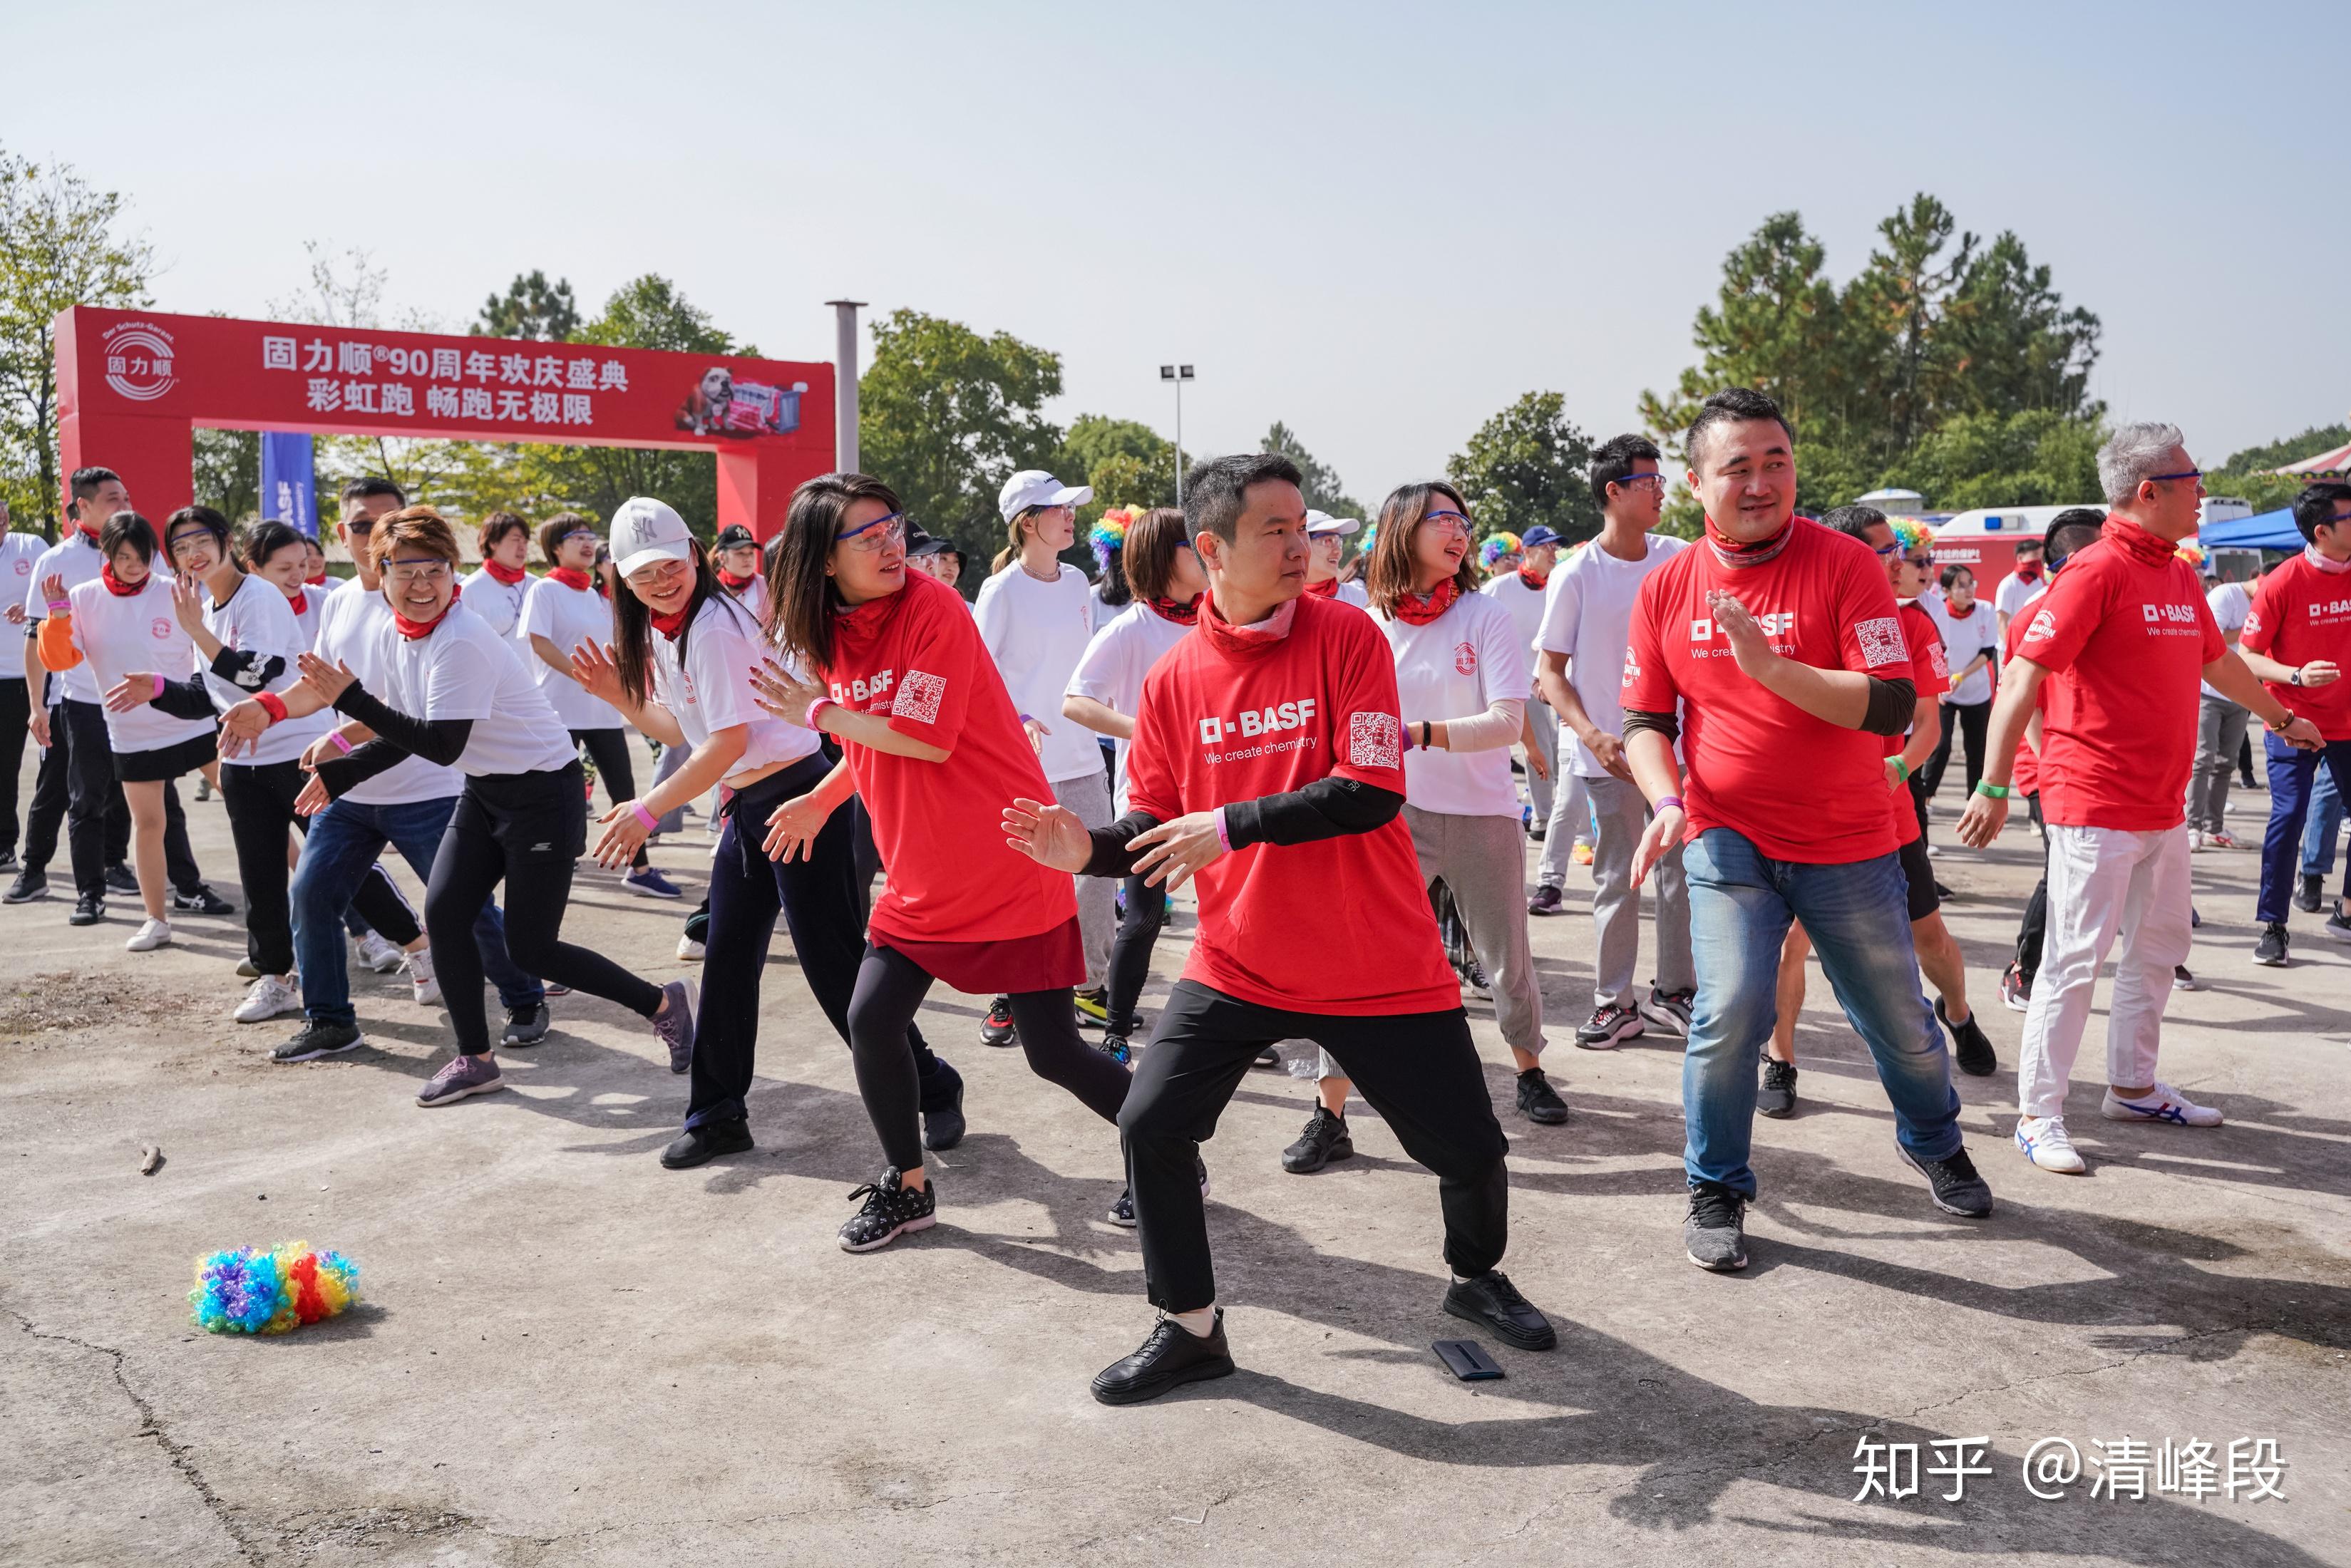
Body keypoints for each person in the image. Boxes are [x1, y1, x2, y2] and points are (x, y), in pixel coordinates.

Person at [1004, 452, 1557, 1404]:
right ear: (1209, 549)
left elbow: (1369, 790)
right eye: (1276, 530)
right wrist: (1082, 851)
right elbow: (1152, 825)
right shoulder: (1175, 681)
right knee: (1150, 1123)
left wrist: (1229, 825)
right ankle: (1189, 1328)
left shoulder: (1348, 639)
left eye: (1303, 526)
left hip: (1375, 958)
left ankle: (1474, 1278)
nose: (1301, 545)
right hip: (1239, 960)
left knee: (1469, 1151)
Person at [1620, 388, 1990, 1272]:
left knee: (1897, 1019)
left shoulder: (1844, 565)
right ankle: (1715, 1182)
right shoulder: (1667, 586)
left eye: (1775, 462)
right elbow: (1644, 721)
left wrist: (1771, 668)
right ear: (1695, 484)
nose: (1760, 483)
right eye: (1737, 468)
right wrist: (1666, 801)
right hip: (1723, 834)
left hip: (1848, 838)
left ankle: (1932, 1138)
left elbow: (1894, 706)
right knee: (1730, 1008)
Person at [747, 473, 1136, 1253]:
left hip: (1004, 856)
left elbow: (921, 735)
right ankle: (908, 1185)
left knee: (1051, 1051)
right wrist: (825, 798)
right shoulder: (830, 627)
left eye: (894, 526)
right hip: (920, 873)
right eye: (869, 536)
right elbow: (873, 733)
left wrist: (816, 712)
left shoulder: (933, 608)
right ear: (825, 559)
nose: (893, 545)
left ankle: (1165, 1144)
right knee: (871, 1019)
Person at [1958, 424, 2321, 1175]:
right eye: (2192, 481)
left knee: (2158, 951)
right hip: (2091, 803)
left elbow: (2217, 663)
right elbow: (2023, 676)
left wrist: (2283, 717)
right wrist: (1994, 782)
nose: (2201, 493)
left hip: (2162, 806)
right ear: (2149, 491)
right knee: (2072, 960)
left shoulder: (2179, 573)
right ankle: (2038, 1113)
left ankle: (2132, 1084)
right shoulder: (2093, 572)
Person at [564, 497, 960, 1167]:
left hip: (798, 795)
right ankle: (717, 1112)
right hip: (750, 808)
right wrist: (615, 695)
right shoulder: (666, 626)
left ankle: (933, 1085)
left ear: (695, 554)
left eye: (669, 564)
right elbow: (684, 733)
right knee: (727, 960)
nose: (659, 580)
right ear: (622, 580)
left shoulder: (713, 626)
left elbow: (726, 744)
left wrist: (646, 810)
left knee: (835, 971)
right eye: (641, 574)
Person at [281, 505, 694, 1105]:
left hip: (541, 796)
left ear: (455, 572)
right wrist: (341, 773)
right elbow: (407, 730)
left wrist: (352, 700)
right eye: (405, 571)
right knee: (445, 915)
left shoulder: (461, 639)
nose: (421, 585)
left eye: (436, 570)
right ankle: (474, 1059)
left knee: (533, 948)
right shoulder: (398, 634)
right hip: (485, 791)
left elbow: (439, 746)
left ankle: (664, 1003)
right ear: (381, 573)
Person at [1282, 480, 1563, 1172]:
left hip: (1483, 812)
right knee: (1354, 960)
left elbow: (1504, 720)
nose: (1458, 529)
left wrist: (1418, 733)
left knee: (1506, 961)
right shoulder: (1366, 621)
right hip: (1389, 814)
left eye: (1463, 519)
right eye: (1441, 518)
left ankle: (1528, 1071)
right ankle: (1330, 1114)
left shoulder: (1485, 615)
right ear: (1402, 529)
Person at [223, 478, 548, 1062]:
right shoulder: (343, 600)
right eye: (360, 525)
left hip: (428, 787)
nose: (377, 534)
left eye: (389, 521)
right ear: (349, 539)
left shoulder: (443, 606)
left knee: (463, 910)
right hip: (351, 793)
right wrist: (268, 709)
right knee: (312, 895)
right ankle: (330, 1021)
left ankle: (523, 995)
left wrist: (348, 742)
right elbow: (326, 687)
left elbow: (426, 724)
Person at [103, 506, 421, 1017]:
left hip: (297, 753)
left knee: (343, 862)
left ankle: (418, 948)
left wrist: (195, 631)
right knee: (261, 875)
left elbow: (257, 674)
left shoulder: (259, 596)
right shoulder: (205, 610)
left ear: (227, 541)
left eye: (200, 541)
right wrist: (157, 689)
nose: (192, 554)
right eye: (180, 548)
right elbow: (213, 697)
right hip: (241, 765)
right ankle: (275, 976)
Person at [1758, 507, 1997, 1116]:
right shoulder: (1803, 612)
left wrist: (1896, 768)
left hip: (1886, 804)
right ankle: (1780, 1059)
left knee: (1929, 939)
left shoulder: (1913, 626)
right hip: (1804, 813)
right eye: (1885, 550)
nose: (1901, 562)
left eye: (1902, 551)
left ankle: (1960, 1014)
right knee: (1791, 946)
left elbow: (1927, 725)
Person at [1533, 435, 1692, 1038]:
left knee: (1680, 878)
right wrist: (1593, 736)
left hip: (1678, 754)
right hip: (1613, 758)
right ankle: (1615, 1002)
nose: (1660, 491)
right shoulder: (1576, 576)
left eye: (1660, 481)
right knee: (1618, 880)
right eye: (1648, 482)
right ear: (1614, 492)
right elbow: (1550, 672)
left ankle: (1676, 992)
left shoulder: (1678, 557)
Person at [20, 468, 220, 924]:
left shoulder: (160, 575)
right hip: (90, 706)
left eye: (127, 496)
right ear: (83, 506)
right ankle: (89, 893)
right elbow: (50, 650)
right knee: (85, 801)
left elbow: (186, 636)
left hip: (164, 706)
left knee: (168, 806)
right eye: (113, 498)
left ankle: (187, 887)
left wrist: (186, 690)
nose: (124, 503)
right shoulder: (58, 565)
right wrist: (38, 702)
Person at [973, 470, 1114, 1038]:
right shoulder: (1000, 590)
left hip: (1083, 758)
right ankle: (1009, 992)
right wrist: (1021, 718)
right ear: (1028, 523)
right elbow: (976, 674)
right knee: (1018, 881)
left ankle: (1091, 986)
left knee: (1097, 872)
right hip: (1019, 765)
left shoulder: (1079, 581)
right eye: (1059, 509)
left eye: (1071, 508)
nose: (1071, 516)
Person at [1061, 507, 1203, 1063]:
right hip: (1151, 799)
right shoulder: (1130, 628)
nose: (1206, 553)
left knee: (1230, 920)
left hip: (1218, 797)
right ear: (1162, 557)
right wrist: (1145, 731)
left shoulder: (1219, 619)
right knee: (1142, 919)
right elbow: (1076, 701)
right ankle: (1117, 1034)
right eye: (1191, 545)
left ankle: (1234, 1033)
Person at [520, 512, 675, 898]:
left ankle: (639, 869)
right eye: (577, 537)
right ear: (555, 548)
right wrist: (583, 676)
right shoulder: (544, 591)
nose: (588, 543)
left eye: (591, 536)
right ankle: (552, 863)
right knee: (558, 793)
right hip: (559, 709)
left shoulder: (595, 595)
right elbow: (539, 643)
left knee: (623, 788)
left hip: (603, 709)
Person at [1992, 512, 2107, 1014]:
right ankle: (2024, 969)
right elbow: (2025, 704)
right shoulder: (2031, 618)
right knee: (2057, 867)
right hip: (2046, 765)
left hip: (2097, 767)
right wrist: (2051, 763)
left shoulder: (2109, 604)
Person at [2238, 482, 2351, 960]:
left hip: (2347, 723)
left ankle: (2345, 910)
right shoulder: (2282, 582)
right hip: (2291, 721)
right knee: (2288, 819)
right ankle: (2273, 925)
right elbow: (2245, 656)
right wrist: (2296, 676)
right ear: (2322, 531)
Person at [1483, 524, 1573, 855]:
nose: (1553, 553)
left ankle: (1556, 816)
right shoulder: (1500, 587)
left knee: (1561, 752)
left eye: (1556, 547)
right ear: (1528, 553)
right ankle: (1544, 819)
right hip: (1517, 685)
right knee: (1541, 751)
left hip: (1555, 683)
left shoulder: (1561, 585)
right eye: (1546, 547)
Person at [1917, 560, 1999, 837]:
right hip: (1943, 691)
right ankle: (1925, 799)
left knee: (1977, 751)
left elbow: (1988, 652)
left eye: (1970, 583)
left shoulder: (1985, 610)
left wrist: (1961, 676)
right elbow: (1935, 649)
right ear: (1948, 590)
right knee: (1938, 747)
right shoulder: (1937, 609)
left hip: (1975, 691)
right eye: (1960, 585)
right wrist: (1939, 682)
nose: (1968, 590)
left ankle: (1975, 807)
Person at [2187, 557, 2256, 850]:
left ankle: (2214, 827)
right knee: (2202, 760)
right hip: (2209, 693)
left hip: (2241, 694)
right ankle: (2192, 826)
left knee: (2226, 764)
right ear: (2262, 578)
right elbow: (2209, 637)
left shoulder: (2268, 601)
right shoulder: (2227, 594)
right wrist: (2249, 629)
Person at [0, 499, 43, 875]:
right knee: (4, 768)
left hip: (42, 678)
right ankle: (4, 846)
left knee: (62, 774)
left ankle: (108, 858)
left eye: (2, 519)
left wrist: (29, 606)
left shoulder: (30, 547)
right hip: (1, 681)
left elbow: (55, 590)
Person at [461, 510, 533, 641]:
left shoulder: (536, 586)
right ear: (493, 543)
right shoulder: (469, 589)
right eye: (516, 539)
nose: (523, 547)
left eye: (525, 541)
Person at [1302, 510, 1370, 607]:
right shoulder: (1280, 600)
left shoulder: (1359, 598)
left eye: (1339, 542)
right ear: (1303, 544)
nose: (1338, 551)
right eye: (1328, 541)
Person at [709, 523, 770, 626]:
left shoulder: (766, 586)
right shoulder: (710, 589)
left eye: (751, 553)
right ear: (722, 557)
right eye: (740, 553)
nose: (748, 558)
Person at [1992, 537, 2049, 641]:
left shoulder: (2039, 583)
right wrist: (2009, 647)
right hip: (2009, 646)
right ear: (2020, 558)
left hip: (2029, 643)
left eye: (2041, 558)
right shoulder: (2009, 584)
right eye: (2035, 556)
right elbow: (2001, 621)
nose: (2039, 562)